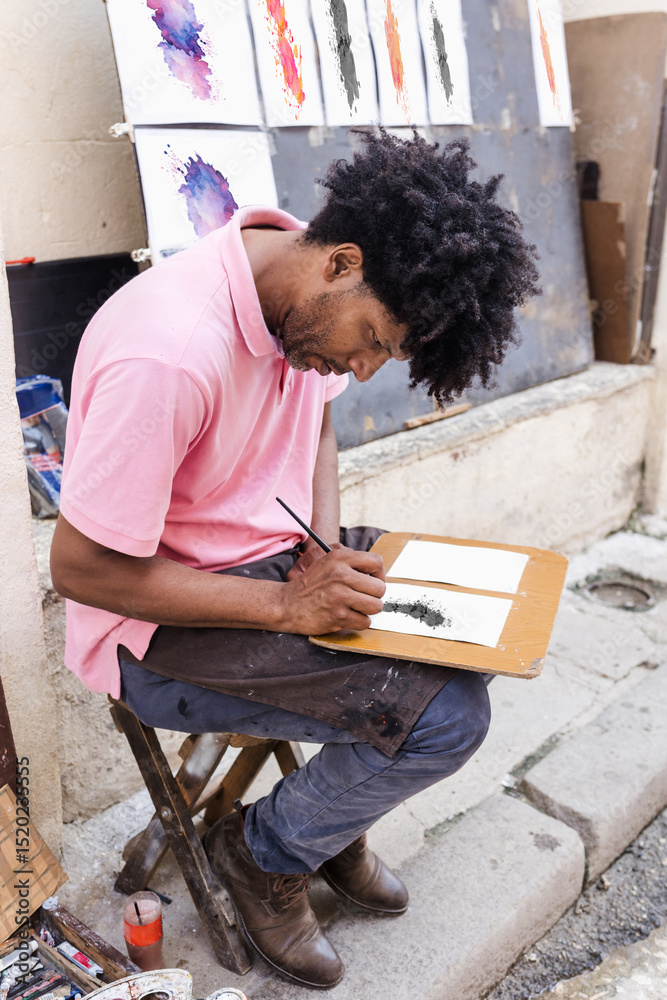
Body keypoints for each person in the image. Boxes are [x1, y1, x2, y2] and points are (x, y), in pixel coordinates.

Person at [51, 129, 540, 989]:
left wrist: (319, 547)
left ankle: (321, 821)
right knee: (444, 719)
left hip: (275, 563)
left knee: (480, 637)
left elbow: (312, 417)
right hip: (154, 627)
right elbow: (83, 571)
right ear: (340, 263)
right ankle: (264, 851)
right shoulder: (167, 353)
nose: (360, 369)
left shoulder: (298, 301)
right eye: (374, 341)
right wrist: (290, 608)